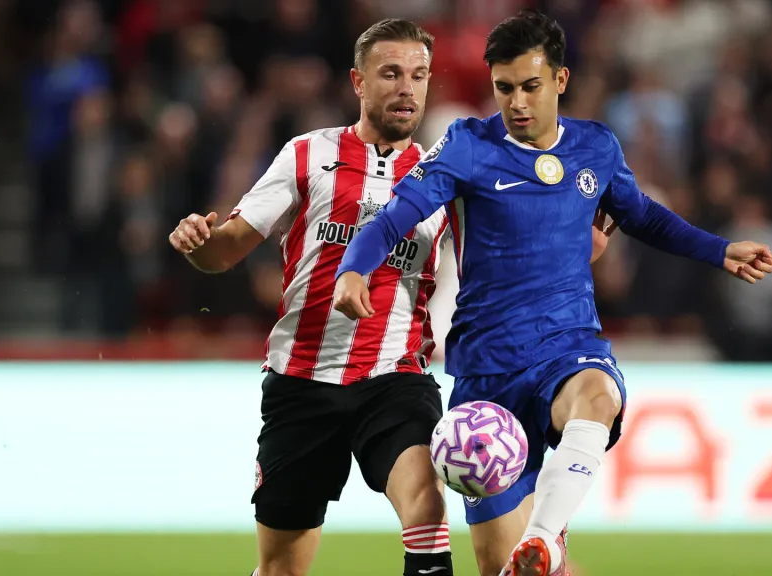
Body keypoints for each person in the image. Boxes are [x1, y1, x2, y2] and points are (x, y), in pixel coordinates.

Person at [332, 10, 772, 576]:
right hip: (487, 370)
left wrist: (718, 250)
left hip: (566, 345)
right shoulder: (468, 145)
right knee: (505, 569)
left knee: (597, 395)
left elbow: (641, 215)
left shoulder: (595, 148)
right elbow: (396, 214)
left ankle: (543, 536)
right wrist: (354, 268)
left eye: (530, 86)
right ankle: (546, 556)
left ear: (560, 81)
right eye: (503, 88)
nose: (516, 102)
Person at [168, 17, 614, 576]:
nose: (408, 88)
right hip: (301, 384)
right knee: (281, 566)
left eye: (420, 75)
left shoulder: (447, 171)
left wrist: (573, 246)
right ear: (358, 82)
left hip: (395, 380)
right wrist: (197, 242)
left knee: (427, 508)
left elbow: (511, 259)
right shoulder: (308, 155)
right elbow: (225, 250)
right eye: (392, 74)